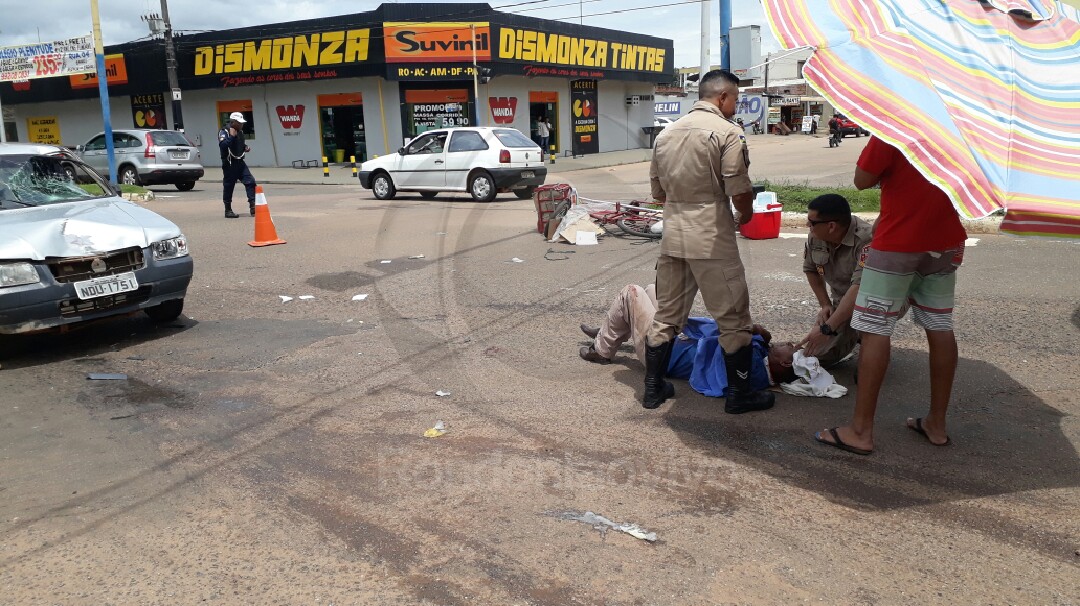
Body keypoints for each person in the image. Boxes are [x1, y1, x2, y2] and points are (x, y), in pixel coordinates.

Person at [815, 136, 967, 455]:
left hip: (898, 242)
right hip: (947, 241)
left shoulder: (898, 123)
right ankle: (936, 425)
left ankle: (860, 431)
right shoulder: (960, 121)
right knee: (940, 327)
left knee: (873, 330)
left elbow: (861, 180)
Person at [644, 69, 774, 413]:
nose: (736, 106)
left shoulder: (666, 134)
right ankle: (739, 395)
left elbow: (658, 192)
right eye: (735, 99)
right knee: (733, 319)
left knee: (667, 315)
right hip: (712, 239)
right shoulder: (728, 133)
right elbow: (740, 189)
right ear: (722, 97)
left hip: (673, 237)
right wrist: (744, 216)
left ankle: (653, 389)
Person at [578, 284, 797, 402]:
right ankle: (613, 328)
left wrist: (754, 331)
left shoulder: (753, 366)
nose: (790, 342)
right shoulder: (761, 357)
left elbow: (738, 333)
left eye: (793, 348)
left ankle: (602, 349)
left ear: (786, 363)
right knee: (653, 289)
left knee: (631, 292)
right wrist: (763, 334)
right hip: (676, 338)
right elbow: (761, 337)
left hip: (660, 352)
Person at [797, 193, 874, 368]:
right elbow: (811, 270)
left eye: (812, 222)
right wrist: (825, 305)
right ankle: (851, 332)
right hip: (844, 299)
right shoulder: (816, 236)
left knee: (863, 319)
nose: (808, 225)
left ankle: (872, 339)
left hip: (875, 299)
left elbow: (860, 288)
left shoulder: (866, 240)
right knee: (815, 357)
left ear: (831, 226)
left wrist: (828, 328)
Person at [218, 111, 257, 219]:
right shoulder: (224, 131)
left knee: (250, 181)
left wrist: (245, 147)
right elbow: (223, 146)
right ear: (233, 122)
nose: (241, 124)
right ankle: (228, 210)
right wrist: (231, 136)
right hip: (229, 164)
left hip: (240, 162)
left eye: (242, 122)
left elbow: (241, 144)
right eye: (239, 123)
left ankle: (253, 206)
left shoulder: (240, 131)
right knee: (229, 186)